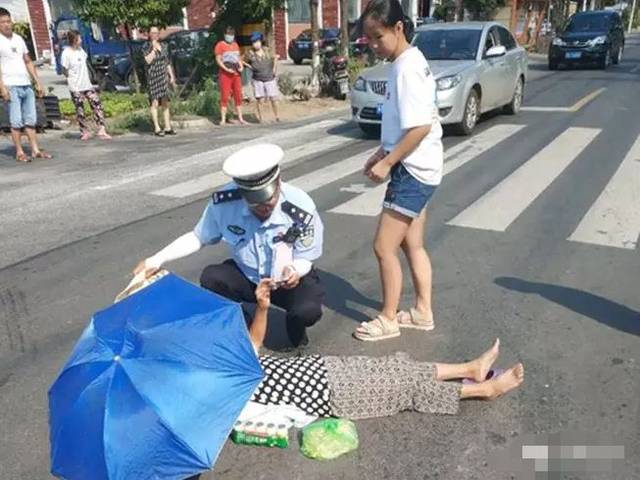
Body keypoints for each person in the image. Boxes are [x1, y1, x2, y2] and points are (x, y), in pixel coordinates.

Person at [247, 278, 524, 420]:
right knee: (402, 388)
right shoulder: (213, 399)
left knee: (395, 366)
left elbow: (254, 344)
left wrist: (262, 308)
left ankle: (469, 369)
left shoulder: (222, 363)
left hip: (321, 367)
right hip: (326, 393)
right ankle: (483, 390)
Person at [134, 143, 325, 348]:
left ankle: (295, 331)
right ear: (241, 191)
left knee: (307, 311)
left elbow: (306, 255)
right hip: (248, 275)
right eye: (255, 200)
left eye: (268, 197)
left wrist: (295, 270)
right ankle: (246, 331)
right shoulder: (224, 203)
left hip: (288, 280)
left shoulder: (300, 207)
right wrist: (156, 259)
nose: (264, 206)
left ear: (278, 181)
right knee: (213, 278)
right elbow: (199, 237)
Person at [354, 0, 443, 342]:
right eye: (369, 39)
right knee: (411, 245)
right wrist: (381, 151)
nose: (374, 45)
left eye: (378, 37)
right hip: (421, 166)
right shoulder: (408, 61)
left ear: (398, 28)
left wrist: (389, 163)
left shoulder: (405, 67)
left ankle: (388, 318)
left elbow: (419, 127)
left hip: (411, 171)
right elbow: (406, 124)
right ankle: (422, 312)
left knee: (383, 247)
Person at [0, 7, 52, 163]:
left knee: (30, 120)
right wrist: (2, 87)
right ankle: (20, 151)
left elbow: (28, 61)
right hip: (11, 85)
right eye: (3, 22)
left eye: (8, 21)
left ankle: (35, 150)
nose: (6, 25)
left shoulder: (18, 39)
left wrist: (37, 82)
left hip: (25, 84)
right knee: (16, 121)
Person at [60, 30, 111, 141]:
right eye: (79, 39)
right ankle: (84, 131)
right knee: (80, 109)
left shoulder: (81, 51)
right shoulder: (66, 53)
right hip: (76, 87)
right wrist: (71, 78)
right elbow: (64, 69)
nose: (81, 40)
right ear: (74, 40)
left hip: (87, 85)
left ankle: (101, 129)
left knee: (97, 104)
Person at [142, 26, 177, 137]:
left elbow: (167, 62)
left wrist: (171, 76)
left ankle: (167, 127)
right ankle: (157, 127)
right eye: (153, 33)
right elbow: (147, 61)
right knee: (155, 102)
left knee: (165, 102)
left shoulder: (164, 46)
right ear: (149, 34)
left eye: (157, 33)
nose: (155, 35)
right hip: (153, 77)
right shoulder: (146, 46)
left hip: (163, 76)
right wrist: (153, 50)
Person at [243, 32, 280, 123]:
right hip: (257, 79)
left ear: (260, 41)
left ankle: (277, 116)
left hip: (269, 77)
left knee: (273, 98)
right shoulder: (250, 54)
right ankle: (261, 118)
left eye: (257, 41)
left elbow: (275, 57)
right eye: (254, 42)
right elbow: (242, 61)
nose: (256, 44)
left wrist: (274, 69)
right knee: (260, 99)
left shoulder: (267, 50)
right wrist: (249, 66)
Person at [214, 26, 247, 126]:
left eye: (232, 35)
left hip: (236, 73)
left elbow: (238, 59)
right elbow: (218, 59)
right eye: (228, 34)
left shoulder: (235, 45)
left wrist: (241, 66)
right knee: (225, 95)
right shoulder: (220, 45)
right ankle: (223, 119)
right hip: (226, 73)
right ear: (225, 35)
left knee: (238, 95)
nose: (230, 37)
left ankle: (240, 118)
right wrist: (225, 69)